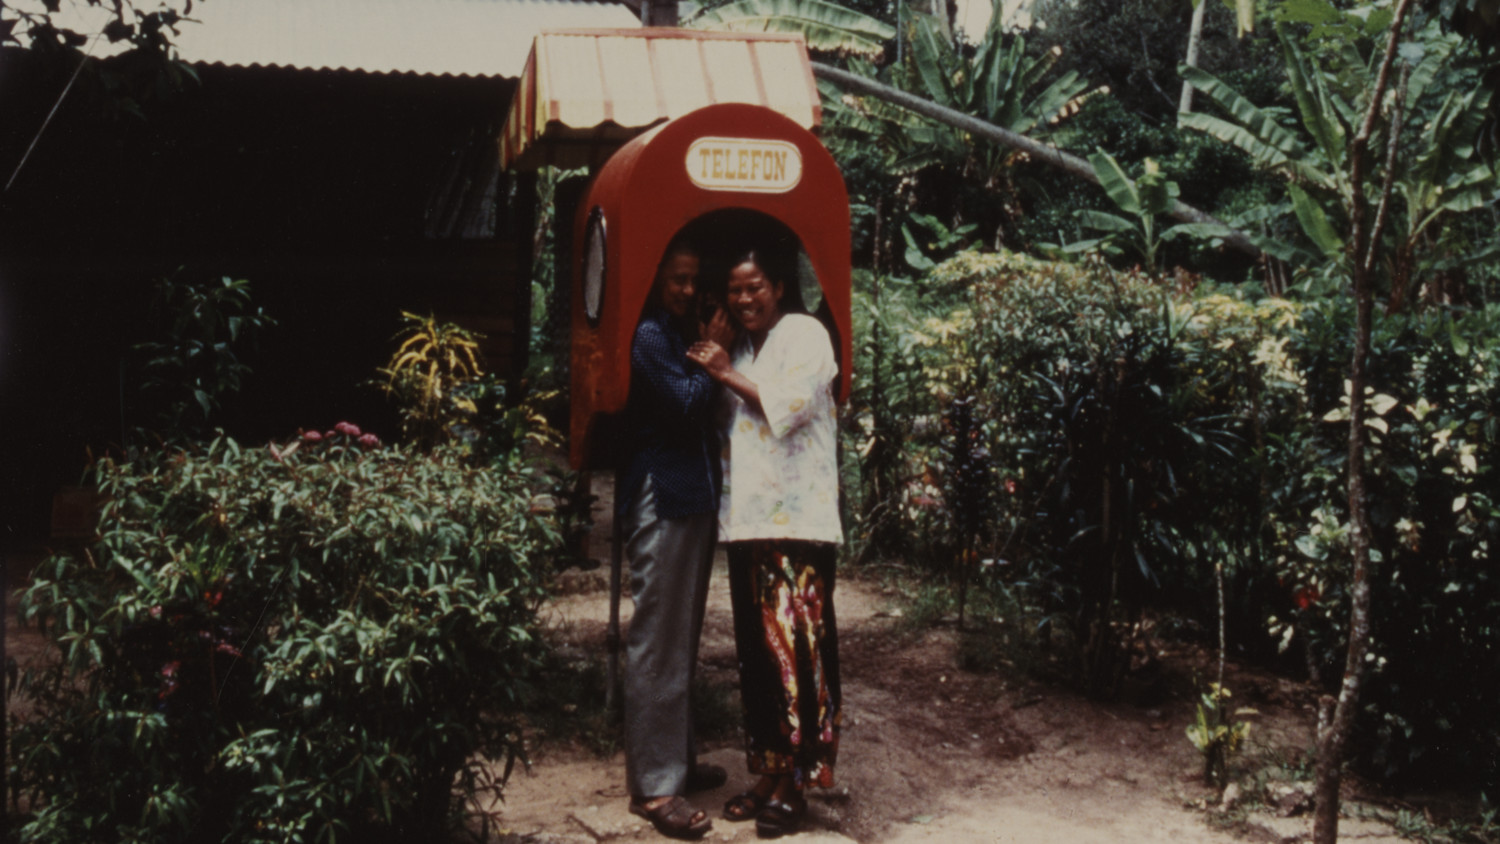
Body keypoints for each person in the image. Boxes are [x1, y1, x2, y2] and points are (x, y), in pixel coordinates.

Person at [686, 249, 843, 839]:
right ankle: (769, 769)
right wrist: (721, 358)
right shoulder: (744, 346)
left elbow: (790, 408)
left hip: (797, 526)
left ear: (779, 285)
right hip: (748, 522)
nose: (744, 300)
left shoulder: (806, 333)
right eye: (734, 291)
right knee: (758, 657)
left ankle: (798, 780)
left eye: (754, 287)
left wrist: (723, 370)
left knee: (797, 654)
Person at [619, 238, 732, 840]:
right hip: (661, 494)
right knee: (658, 638)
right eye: (677, 280)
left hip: (690, 495)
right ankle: (656, 788)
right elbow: (688, 406)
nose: (687, 290)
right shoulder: (650, 337)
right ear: (657, 277)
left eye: (694, 279)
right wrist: (718, 359)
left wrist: (709, 353)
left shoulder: (680, 332)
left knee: (680, 635)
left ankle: (677, 760)